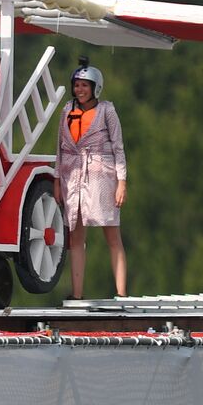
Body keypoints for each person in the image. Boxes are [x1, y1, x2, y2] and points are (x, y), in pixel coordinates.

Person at [54, 60, 128, 300]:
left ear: (95, 87)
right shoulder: (67, 110)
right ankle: (77, 295)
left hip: (101, 176)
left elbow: (118, 147)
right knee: (75, 236)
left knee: (112, 234)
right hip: (72, 177)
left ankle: (121, 292)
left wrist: (122, 181)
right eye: (76, 85)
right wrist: (57, 179)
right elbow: (60, 148)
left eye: (85, 85)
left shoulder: (107, 110)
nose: (80, 90)